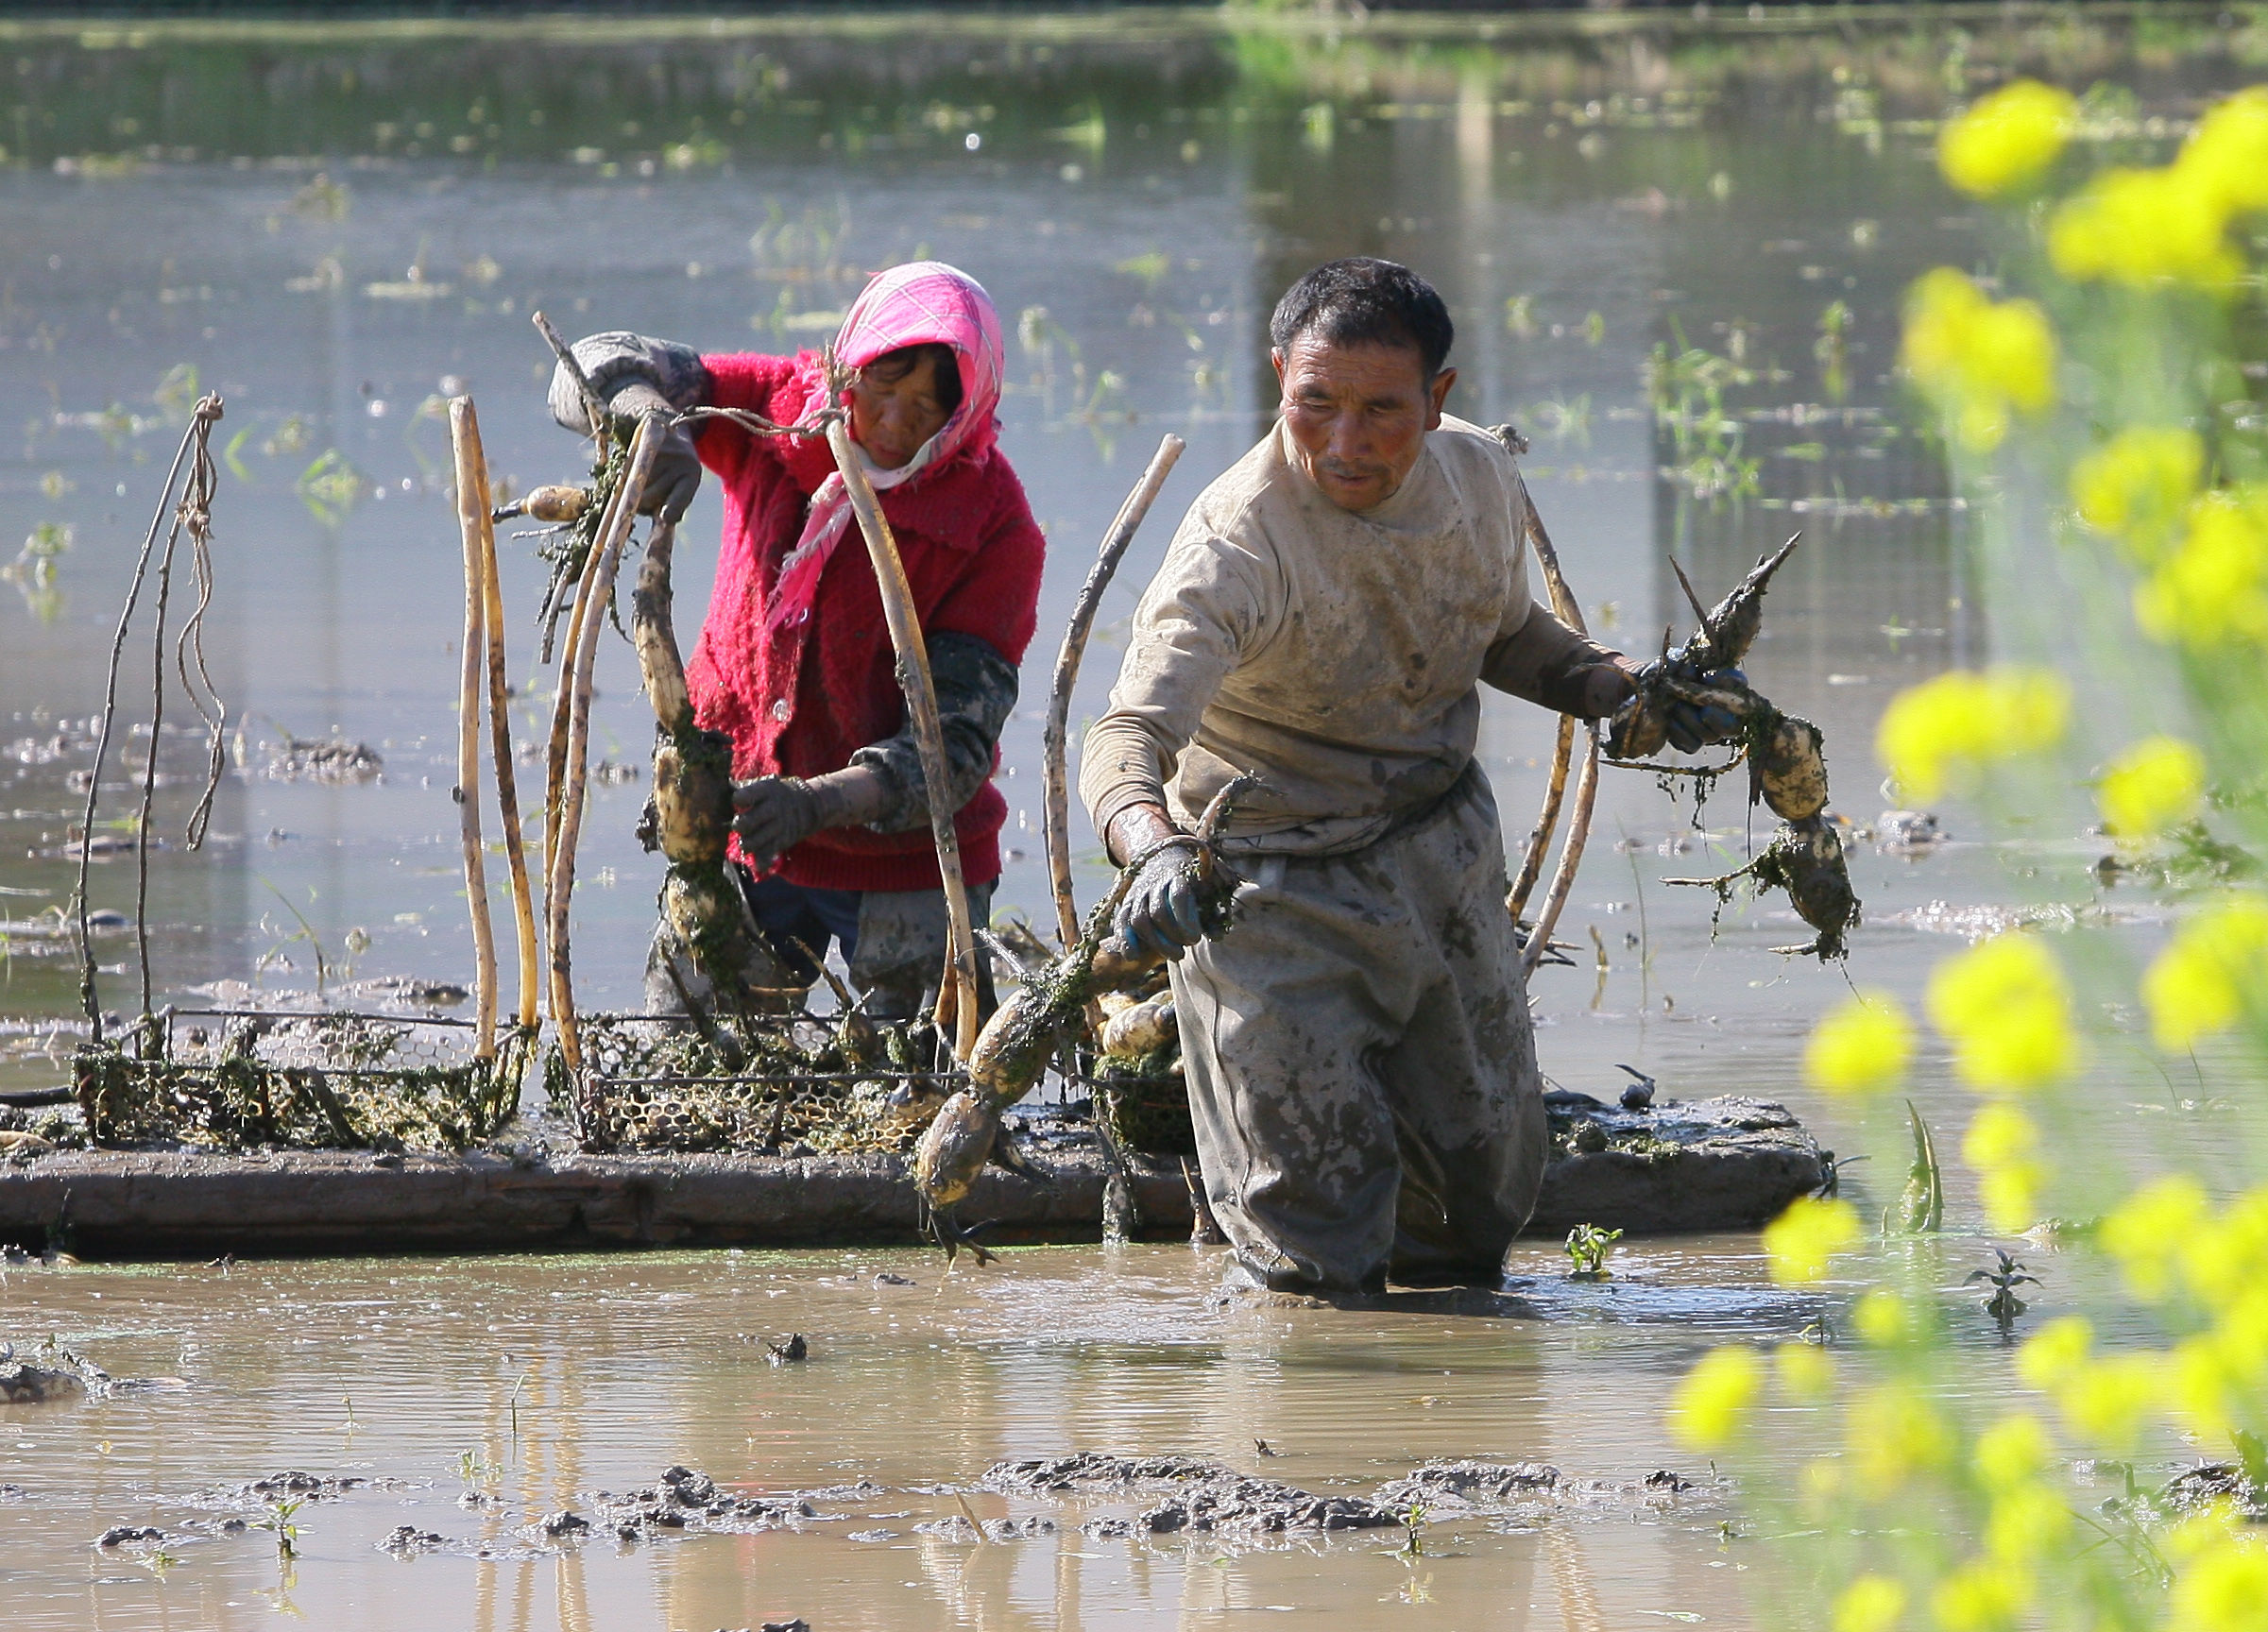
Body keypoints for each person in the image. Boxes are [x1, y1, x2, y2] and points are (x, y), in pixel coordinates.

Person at [1079, 258, 1729, 1299]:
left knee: (1479, 1195)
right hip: (1272, 882)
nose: (1345, 442)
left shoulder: (1476, 477)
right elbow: (1124, 737)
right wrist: (1153, 848)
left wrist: (1619, 689)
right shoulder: (1237, 543)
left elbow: (1504, 633)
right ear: (1279, 375)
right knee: (1311, 1226)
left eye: (1383, 409)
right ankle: (1310, 1420)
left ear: (1439, 399)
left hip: (1438, 849)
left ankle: (1449, 1411)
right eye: (1315, 404)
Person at [547, 261, 1047, 1021]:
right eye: (883, 386)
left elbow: (954, 747)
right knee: (686, 1072)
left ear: (963, 414)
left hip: (908, 864)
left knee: (914, 1086)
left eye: (925, 411)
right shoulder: (780, 412)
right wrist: (646, 422)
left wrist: (818, 803)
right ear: (851, 362)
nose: (890, 425)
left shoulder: (991, 523)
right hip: (742, 825)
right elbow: (591, 364)